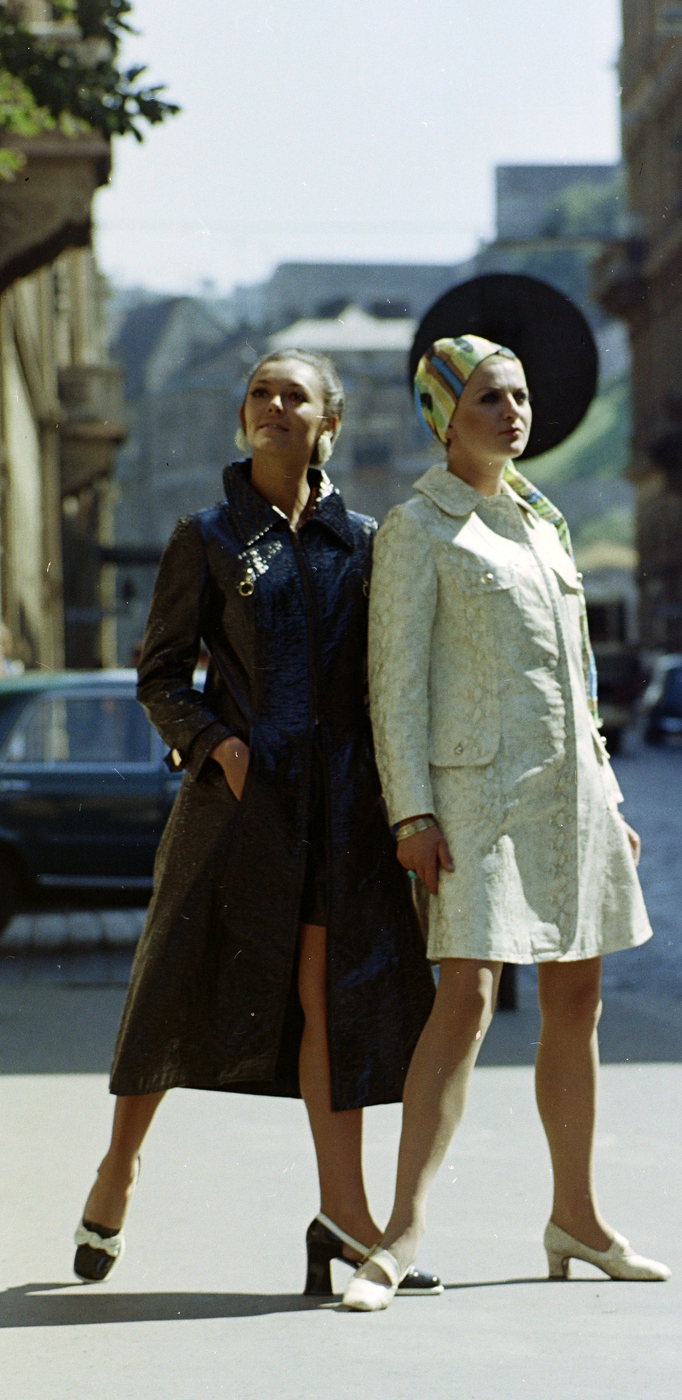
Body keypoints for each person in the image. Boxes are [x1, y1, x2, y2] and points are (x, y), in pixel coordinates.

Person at [73, 350, 435, 1296]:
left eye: (294, 397)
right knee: (171, 988)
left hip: (339, 814)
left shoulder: (363, 540)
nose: (273, 407)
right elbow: (159, 675)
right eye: (260, 395)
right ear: (244, 418)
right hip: (235, 812)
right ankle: (118, 1169)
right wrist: (213, 745)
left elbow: (382, 681)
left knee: (333, 1001)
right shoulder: (206, 536)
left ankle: (342, 1216)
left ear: (330, 424)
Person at [344, 333, 666, 1311]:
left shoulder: (545, 526)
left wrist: (608, 798)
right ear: (445, 415)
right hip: (472, 799)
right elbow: (392, 686)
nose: (512, 413)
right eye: (489, 398)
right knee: (468, 1000)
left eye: (519, 397)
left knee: (577, 1001)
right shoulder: (417, 527)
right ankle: (398, 1234)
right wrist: (410, 811)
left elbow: (580, 685)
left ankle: (576, 1214)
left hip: (569, 799)